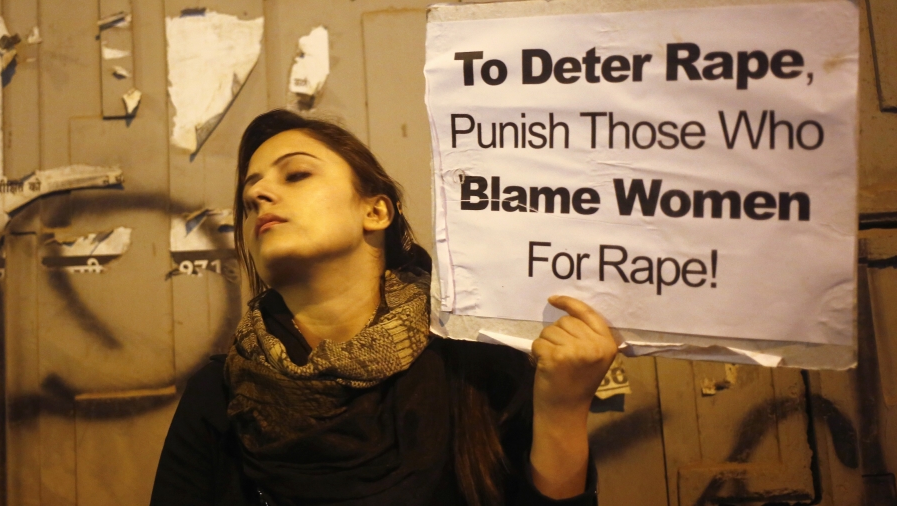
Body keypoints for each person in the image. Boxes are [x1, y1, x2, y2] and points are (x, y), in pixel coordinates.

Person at [150, 110, 618, 506]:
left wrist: (563, 406)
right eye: (250, 197)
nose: (256, 197)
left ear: (375, 212)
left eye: (296, 174)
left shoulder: (476, 364)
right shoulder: (221, 395)